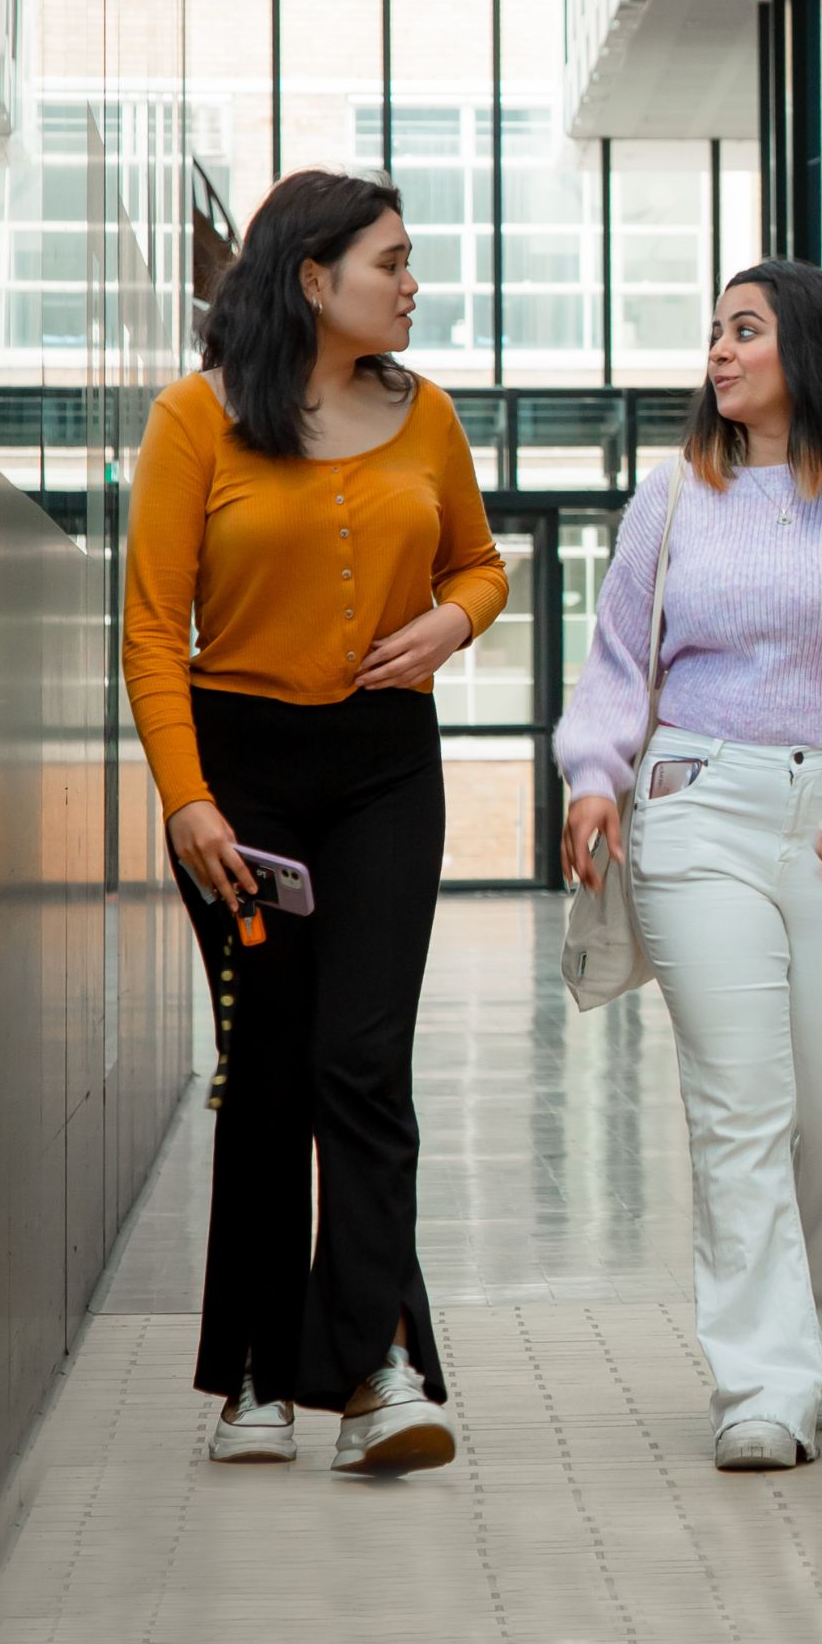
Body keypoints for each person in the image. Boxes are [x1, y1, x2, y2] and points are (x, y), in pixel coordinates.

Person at [123, 168, 508, 1474]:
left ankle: (380, 1366)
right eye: (391, 261)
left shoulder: (427, 415)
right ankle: (251, 1376)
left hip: (387, 768)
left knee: (361, 1061)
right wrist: (187, 796)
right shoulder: (197, 421)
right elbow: (149, 629)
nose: (413, 283)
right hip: (242, 781)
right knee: (269, 1074)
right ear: (311, 278)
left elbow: (481, 560)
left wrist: (454, 623)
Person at [555, 259, 822, 1473]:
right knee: (740, 1110)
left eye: (746, 331)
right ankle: (761, 1383)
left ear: (816, 353)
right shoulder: (673, 500)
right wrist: (592, 776)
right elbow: (619, 662)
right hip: (698, 811)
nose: (719, 353)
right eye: (715, 333)